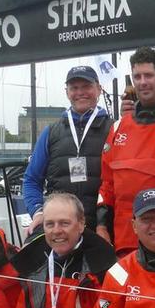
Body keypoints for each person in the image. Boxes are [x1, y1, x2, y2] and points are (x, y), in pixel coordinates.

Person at [97, 46, 155, 254]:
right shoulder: (117, 128)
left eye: (148, 75)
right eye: (137, 76)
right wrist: (101, 226)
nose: (142, 82)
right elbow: (107, 185)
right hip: (125, 246)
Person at [23, 66, 111, 231]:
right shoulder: (51, 133)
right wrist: (38, 212)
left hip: (101, 229)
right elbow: (31, 180)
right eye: (74, 88)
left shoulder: (113, 129)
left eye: (86, 86)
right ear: (67, 92)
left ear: (98, 89)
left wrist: (104, 225)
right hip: (60, 229)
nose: (80, 92)